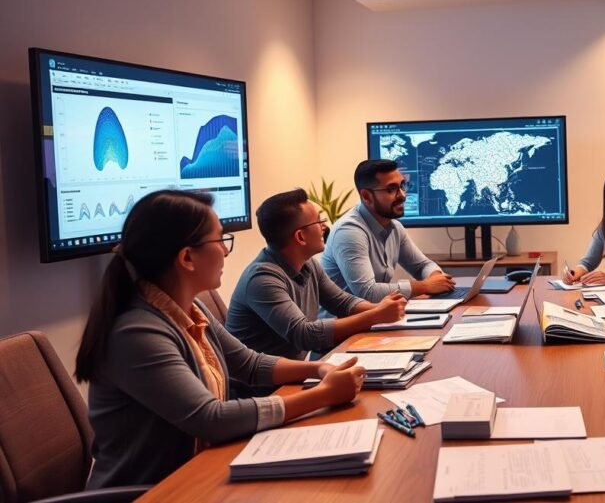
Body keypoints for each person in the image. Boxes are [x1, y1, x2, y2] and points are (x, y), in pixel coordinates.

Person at [75, 190, 367, 489]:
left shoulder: (191, 308)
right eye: (220, 240)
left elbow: (249, 363)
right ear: (187, 257)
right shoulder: (137, 333)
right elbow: (210, 418)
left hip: (197, 474)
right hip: (153, 491)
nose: (226, 252)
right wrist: (323, 395)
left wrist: (318, 371)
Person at [227, 189, 406, 362]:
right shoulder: (262, 280)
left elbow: (343, 303)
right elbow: (304, 335)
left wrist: (382, 310)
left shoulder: (308, 264)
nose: (324, 227)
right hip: (264, 388)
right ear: (300, 237)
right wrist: (376, 315)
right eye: (318, 221)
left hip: (292, 374)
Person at [322, 159, 455, 302]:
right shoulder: (349, 232)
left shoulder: (395, 227)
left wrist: (434, 276)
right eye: (391, 189)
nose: (402, 195)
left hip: (377, 318)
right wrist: (424, 286)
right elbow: (367, 293)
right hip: (345, 321)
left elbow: (422, 266)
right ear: (366, 196)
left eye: (402, 186)